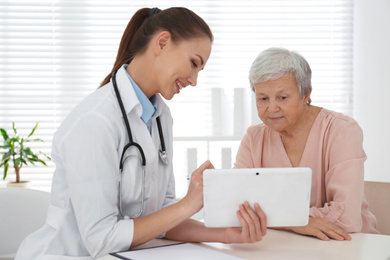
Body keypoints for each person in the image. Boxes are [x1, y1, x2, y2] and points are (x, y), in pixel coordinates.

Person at [15, 7, 267, 260]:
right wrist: (189, 203)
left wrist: (226, 235)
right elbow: (101, 241)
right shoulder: (95, 121)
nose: (194, 80)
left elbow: (163, 217)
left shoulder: (160, 117)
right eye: (193, 64)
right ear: (162, 42)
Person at [234, 47, 379, 241]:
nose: (271, 108)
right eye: (263, 98)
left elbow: (347, 219)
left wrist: (274, 217)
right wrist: (295, 222)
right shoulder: (253, 138)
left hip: (349, 246)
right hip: (282, 245)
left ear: (306, 94)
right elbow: (238, 207)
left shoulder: (342, 130)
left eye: (282, 97)